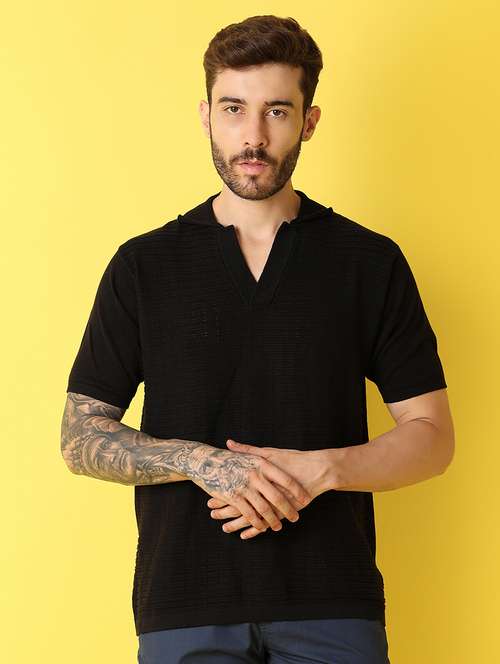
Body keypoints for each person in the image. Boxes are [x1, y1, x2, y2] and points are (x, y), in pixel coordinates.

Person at [61, 14, 454, 664]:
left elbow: (433, 438)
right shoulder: (143, 266)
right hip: (183, 605)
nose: (253, 136)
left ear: (309, 121)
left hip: (334, 604)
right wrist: (202, 462)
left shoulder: (369, 262)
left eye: (276, 111)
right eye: (233, 109)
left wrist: (322, 470)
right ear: (206, 116)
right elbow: (79, 437)